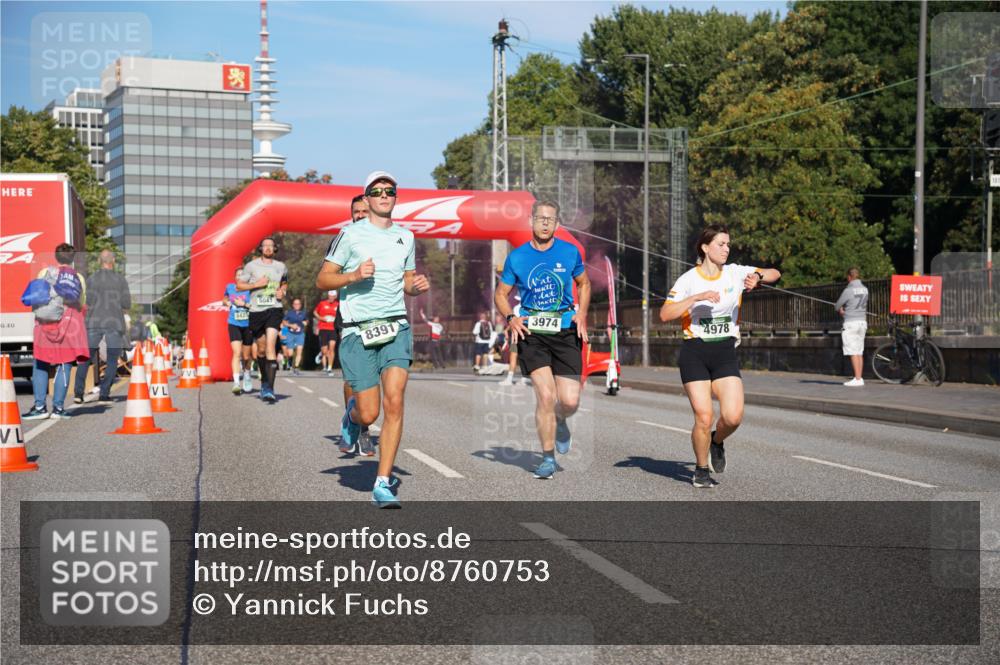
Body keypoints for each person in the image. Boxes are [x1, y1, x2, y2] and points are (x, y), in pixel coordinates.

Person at [316, 171, 430, 507]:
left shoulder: (406, 237)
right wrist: (353, 275)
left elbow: (406, 282)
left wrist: (416, 287)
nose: (384, 195)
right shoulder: (350, 234)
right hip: (357, 329)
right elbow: (322, 280)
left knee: (395, 400)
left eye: (389, 191)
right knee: (369, 414)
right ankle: (352, 416)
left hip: (395, 325)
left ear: (395, 197)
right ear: (366, 199)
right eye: (376, 191)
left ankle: (382, 483)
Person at [659, 224, 781, 488]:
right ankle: (701, 470)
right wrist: (696, 297)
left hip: (725, 352)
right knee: (703, 416)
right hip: (695, 353)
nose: (727, 249)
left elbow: (775, 273)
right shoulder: (689, 280)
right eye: (721, 244)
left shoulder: (735, 273)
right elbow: (665, 314)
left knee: (733, 416)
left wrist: (758, 277)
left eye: (728, 244)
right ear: (705, 247)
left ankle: (716, 441)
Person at [494, 199, 591, 480]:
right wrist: (511, 318)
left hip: (564, 330)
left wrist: (582, 314)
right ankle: (547, 458)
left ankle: (561, 419)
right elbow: (501, 294)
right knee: (546, 396)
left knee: (570, 401)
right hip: (532, 332)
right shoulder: (517, 257)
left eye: (550, 219)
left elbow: (584, 283)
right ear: (531, 221)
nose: (545, 223)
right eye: (540, 218)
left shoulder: (569, 252)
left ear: (558, 225)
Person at [23, 243, 89, 420]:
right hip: (68, 324)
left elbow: (36, 296)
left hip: (45, 323)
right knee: (64, 364)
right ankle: (58, 408)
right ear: (73, 258)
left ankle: (39, 407)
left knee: (41, 363)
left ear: (56, 257)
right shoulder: (79, 278)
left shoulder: (44, 273)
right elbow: (81, 303)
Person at [73, 249, 130, 404]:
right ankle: (104, 394)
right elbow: (126, 304)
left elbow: (88, 302)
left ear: (100, 261)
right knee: (112, 359)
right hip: (114, 323)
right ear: (113, 262)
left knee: (85, 358)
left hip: (94, 322)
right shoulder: (121, 280)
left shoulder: (92, 279)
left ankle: (78, 393)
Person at [237, 237, 288, 402]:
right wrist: (256, 285)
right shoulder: (251, 266)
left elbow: (285, 282)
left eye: (271, 246)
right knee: (260, 349)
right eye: (265, 246)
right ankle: (264, 379)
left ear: (275, 248)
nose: (268, 248)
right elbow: (239, 285)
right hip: (256, 310)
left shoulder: (281, 266)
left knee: (271, 346)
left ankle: (269, 388)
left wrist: (283, 292)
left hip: (274, 308)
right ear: (260, 248)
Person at [835, 267, 869, 387]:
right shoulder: (865, 289)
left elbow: (838, 305)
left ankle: (858, 378)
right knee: (859, 351)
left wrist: (841, 310)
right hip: (862, 323)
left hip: (851, 323)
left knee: (853, 351)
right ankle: (860, 377)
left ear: (849, 277)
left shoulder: (848, 290)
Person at [223, 268, 253, 395]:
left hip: (248, 325)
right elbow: (224, 299)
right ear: (235, 278)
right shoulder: (230, 287)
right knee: (237, 352)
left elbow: (256, 306)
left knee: (246, 356)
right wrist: (227, 302)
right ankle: (236, 383)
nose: (240, 277)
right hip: (234, 323)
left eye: (243, 275)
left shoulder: (251, 290)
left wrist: (244, 304)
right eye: (238, 275)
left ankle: (246, 374)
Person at [499, 297, 525, 386]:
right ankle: (524, 379)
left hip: (516, 334)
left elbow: (515, 322)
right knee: (525, 357)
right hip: (528, 334)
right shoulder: (532, 307)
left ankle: (509, 379)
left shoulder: (517, 308)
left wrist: (506, 330)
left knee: (513, 356)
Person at [314, 291, 339, 375]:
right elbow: (315, 312)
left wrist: (336, 320)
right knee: (325, 351)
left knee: (332, 348)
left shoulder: (338, 305)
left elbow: (341, 316)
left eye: (333, 296)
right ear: (328, 296)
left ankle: (329, 368)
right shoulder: (322, 303)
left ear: (335, 296)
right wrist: (321, 318)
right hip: (323, 328)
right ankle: (322, 353)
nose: (331, 298)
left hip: (333, 329)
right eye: (330, 296)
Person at [282, 298, 308, 376]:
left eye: (298, 304)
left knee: (299, 351)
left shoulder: (304, 313)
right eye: (295, 304)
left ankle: (296, 368)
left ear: (300, 305)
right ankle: (290, 365)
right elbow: (284, 322)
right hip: (290, 333)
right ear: (293, 305)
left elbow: (306, 320)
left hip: (300, 334)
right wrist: (291, 325)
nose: (297, 305)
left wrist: (305, 323)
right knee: (290, 353)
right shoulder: (289, 313)